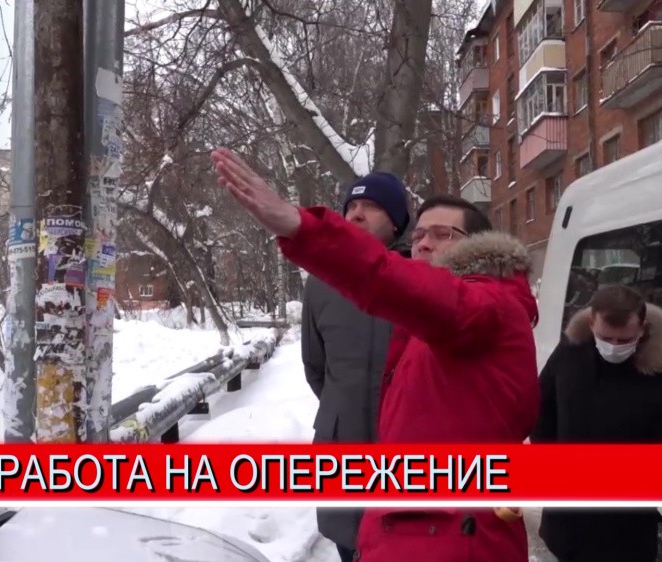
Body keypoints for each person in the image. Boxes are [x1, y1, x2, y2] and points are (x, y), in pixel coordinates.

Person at [210, 147, 539, 562]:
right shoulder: (367, 295)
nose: (424, 244)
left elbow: (401, 285)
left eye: (442, 235)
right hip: (399, 512)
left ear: (477, 248)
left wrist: (302, 228)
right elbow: (318, 369)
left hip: (449, 529)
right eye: (420, 235)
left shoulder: (484, 304)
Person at [301, 173, 411, 562]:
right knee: (350, 547)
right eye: (352, 206)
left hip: (407, 455)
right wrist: (342, 412)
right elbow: (316, 369)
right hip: (341, 453)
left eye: (372, 206)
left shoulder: (422, 280)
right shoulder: (319, 283)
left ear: (396, 221)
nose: (358, 214)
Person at [532, 284, 662, 562]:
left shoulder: (657, 369)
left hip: (629, 526)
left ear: (642, 329)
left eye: (623, 340)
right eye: (606, 337)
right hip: (567, 523)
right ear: (591, 323)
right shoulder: (569, 354)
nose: (614, 347)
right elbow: (541, 408)